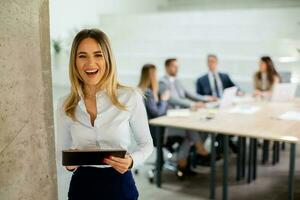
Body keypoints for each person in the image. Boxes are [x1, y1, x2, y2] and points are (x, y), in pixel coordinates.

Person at [56, 28, 153, 200]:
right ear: (74, 62)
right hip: (82, 188)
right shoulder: (65, 104)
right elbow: (62, 152)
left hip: (120, 186)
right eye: (82, 56)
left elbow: (146, 144)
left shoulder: (130, 97)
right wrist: (70, 165)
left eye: (98, 55)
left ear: (107, 59)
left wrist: (131, 161)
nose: (90, 63)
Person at [159, 58, 215, 174]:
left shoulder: (177, 81)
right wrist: (192, 104)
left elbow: (190, 94)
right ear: (167, 67)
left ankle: (184, 162)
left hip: (181, 116)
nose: (177, 68)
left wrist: (206, 99)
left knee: (200, 129)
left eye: (177, 66)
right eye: (174, 66)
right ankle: (200, 151)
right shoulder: (162, 83)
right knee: (190, 130)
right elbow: (173, 100)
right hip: (169, 121)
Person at [196, 54, 239, 154]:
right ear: (207, 63)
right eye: (209, 61)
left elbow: (235, 87)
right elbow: (198, 96)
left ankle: (224, 144)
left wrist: (239, 92)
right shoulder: (201, 79)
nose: (211, 63)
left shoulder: (224, 76)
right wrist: (207, 99)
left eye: (213, 61)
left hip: (225, 104)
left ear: (216, 62)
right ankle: (222, 147)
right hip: (211, 106)